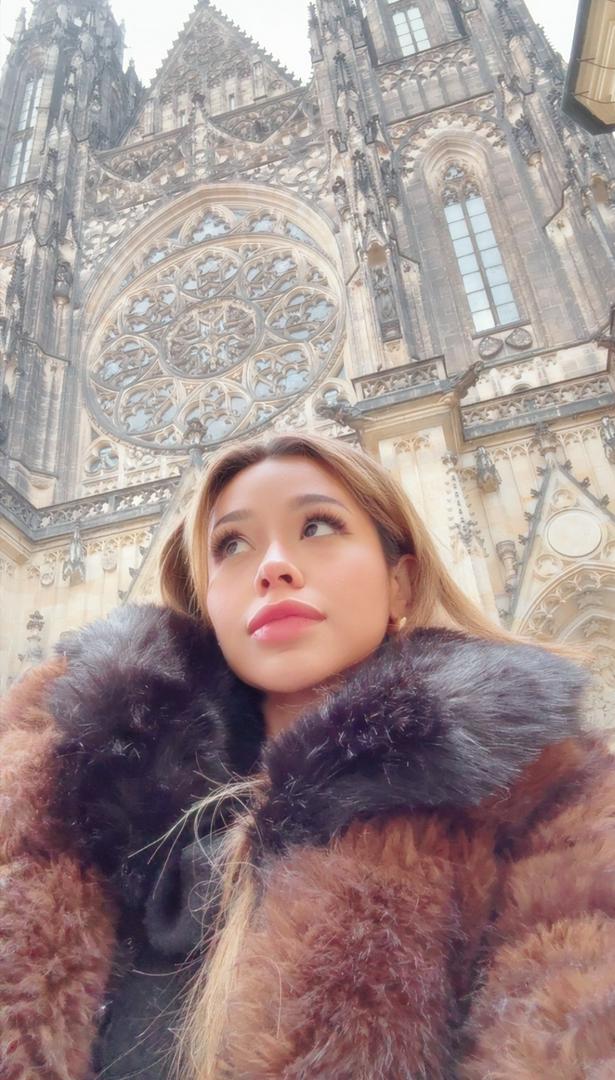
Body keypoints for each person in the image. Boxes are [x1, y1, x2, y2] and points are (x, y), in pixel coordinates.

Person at [0, 433, 612, 1080]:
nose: (273, 566)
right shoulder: (60, 791)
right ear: (207, 604)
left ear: (401, 584)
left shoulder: (545, 803)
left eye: (318, 525)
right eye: (231, 545)